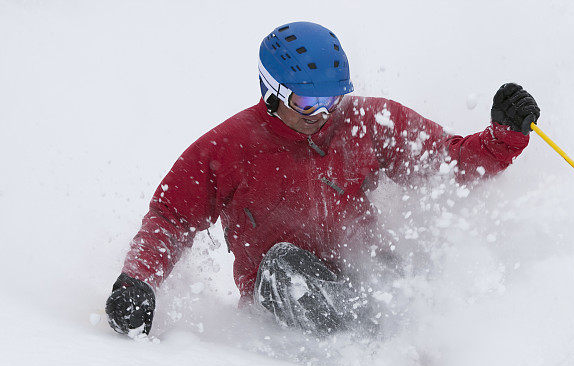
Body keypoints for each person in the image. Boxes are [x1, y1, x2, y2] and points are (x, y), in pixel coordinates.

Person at [106, 21, 540, 338]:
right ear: (272, 90)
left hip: (363, 279)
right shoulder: (231, 146)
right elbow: (171, 216)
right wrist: (138, 280)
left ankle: (428, 346)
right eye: (309, 99)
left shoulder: (364, 121)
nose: (323, 112)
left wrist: (502, 138)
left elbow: (443, 163)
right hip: (285, 296)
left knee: (406, 268)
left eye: (333, 96)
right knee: (281, 266)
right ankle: (381, 352)